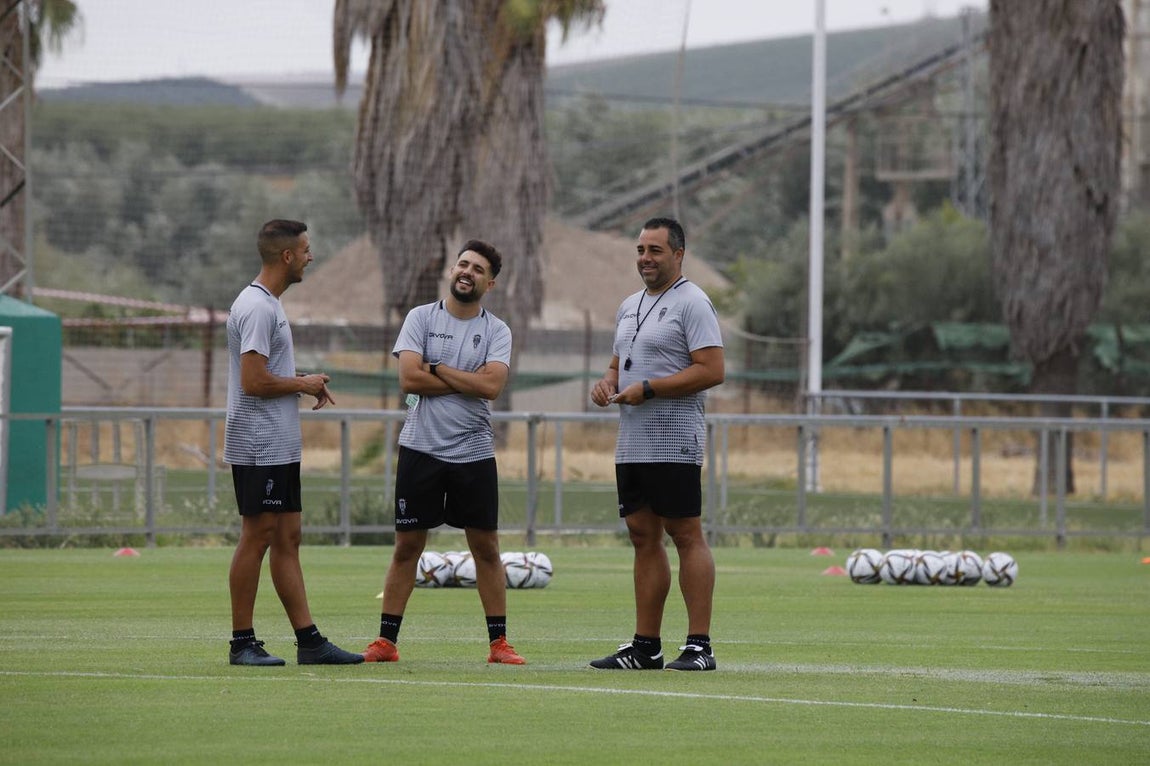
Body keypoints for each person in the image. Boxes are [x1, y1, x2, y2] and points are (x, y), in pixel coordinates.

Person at [362, 240, 526, 665]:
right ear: (453, 270)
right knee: (406, 547)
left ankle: (498, 644)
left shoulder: (497, 331)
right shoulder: (419, 318)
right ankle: (386, 642)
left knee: (486, 549)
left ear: (489, 283)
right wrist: (461, 377)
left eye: (478, 268)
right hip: (420, 450)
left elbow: (491, 387)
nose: (467, 271)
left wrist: (436, 368)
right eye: (463, 263)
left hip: (474, 452)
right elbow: (408, 380)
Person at [224, 219, 363, 667]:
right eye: (305, 249)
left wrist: (301, 382)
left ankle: (309, 641)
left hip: (279, 445)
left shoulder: (269, 305)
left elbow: (264, 375)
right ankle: (241, 642)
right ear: (287, 256)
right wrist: (302, 382)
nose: (310, 256)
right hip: (258, 443)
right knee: (258, 535)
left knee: (288, 536)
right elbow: (253, 381)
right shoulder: (258, 307)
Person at [588, 217, 725, 671]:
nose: (645, 258)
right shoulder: (630, 305)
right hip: (633, 443)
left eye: (655, 250)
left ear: (678, 254)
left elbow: (711, 370)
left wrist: (650, 388)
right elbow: (617, 364)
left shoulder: (694, 303)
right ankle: (646, 647)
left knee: (685, 534)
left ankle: (699, 646)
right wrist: (607, 383)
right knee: (643, 536)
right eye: (641, 250)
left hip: (674, 440)